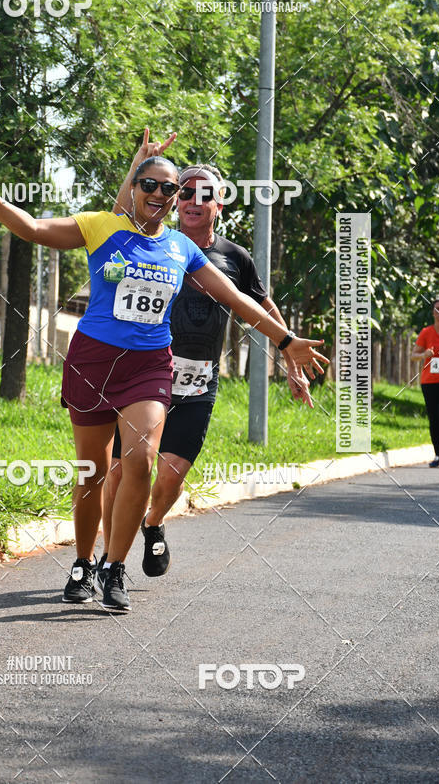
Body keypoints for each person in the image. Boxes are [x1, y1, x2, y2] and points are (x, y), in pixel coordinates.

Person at [0, 156, 328, 611]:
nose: (159, 193)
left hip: (149, 366)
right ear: (133, 187)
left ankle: (115, 567)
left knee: (140, 463)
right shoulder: (101, 227)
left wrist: (286, 341)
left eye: (168, 188)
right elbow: (33, 228)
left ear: (173, 200)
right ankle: (82, 563)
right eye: (148, 183)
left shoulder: (180, 249)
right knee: (92, 471)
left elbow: (237, 299)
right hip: (93, 363)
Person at [101, 130, 314, 580]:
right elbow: (118, 215)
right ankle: (108, 558)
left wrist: (288, 354)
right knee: (122, 471)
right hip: (142, 374)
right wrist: (140, 159)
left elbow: (258, 306)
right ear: (175, 201)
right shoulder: (152, 241)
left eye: (206, 195)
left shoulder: (234, 257)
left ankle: (153, 521)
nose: (193, 201)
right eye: (186, 193)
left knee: (171, 476)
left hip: (198, 380)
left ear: (220, 204)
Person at [412, 298, 439, 468]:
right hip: (429, 382)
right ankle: (438, 455)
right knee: (433, 417)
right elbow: (413, 355)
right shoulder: (426, 332)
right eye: (437, 309)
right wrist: (424, 354)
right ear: (433, 313)